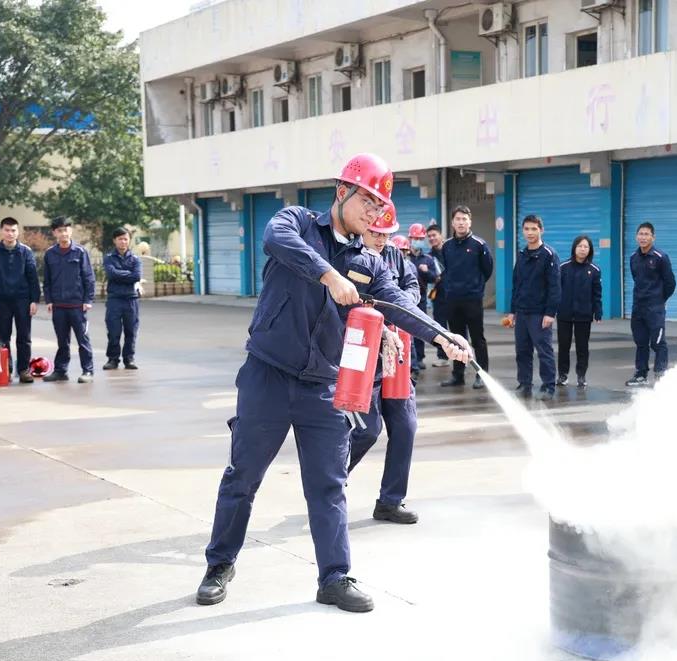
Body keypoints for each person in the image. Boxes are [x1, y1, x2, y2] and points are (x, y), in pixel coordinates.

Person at [197, 153, 472, 613]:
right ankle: (219, 565)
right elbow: (275, 238)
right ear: (342, 192)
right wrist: (328, 274)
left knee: (328, 485)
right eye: (367, 201)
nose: (373, 213)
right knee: (242, 476)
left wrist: (442, 336)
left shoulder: (369, 263)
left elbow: (400, 305)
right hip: (268, 374)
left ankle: (334, 577)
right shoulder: (298, 223)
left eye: (379, 206)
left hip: (322, 386)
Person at [347, 209, 422, 525]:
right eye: (376, 233)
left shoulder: (395, 255)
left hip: (397, 355)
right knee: (367, 430)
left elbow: (412, 286)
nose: (381, 240)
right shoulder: (351, 258)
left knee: (405, 426)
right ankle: (328, 482)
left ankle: (390, 501)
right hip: (363, 355)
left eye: (386, 234)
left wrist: (403, 302)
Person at [503, 215, 560, 401]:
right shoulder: (521, 254)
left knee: (544, 351)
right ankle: (524, 384)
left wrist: (550, 313)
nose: (530, 233)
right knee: (522, 351)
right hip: (522, 312)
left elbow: (555, 287)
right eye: (526, 229)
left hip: (540, 313)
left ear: (541, 230)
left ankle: (548, 386)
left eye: (534, 229)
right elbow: (516, 284)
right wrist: (512, 311)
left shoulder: (549, 255)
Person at [439, 206, 493, 389]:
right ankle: (458, 375)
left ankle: (482, 375)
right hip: (452, 299)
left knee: (478, 339)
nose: (461, 222)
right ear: (452, 222)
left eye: (464, 219)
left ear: (470, 222)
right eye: (458, 219)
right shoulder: (446, 246)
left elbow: (487, 269)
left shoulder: (479, 245)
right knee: (456, 340)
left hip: (472, 299)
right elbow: (446, 269)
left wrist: (475, 286)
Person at [0, 217, 41, 383]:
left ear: (18, 231)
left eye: (13, 230)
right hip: (1, 300)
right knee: (3, 337)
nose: (10, 233)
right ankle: (5, 370)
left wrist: (34, 300)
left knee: (24, 337)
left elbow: (33, 277)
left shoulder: (26, 252)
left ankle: (23, 370)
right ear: (2, 231)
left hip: (23, 300)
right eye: (7, 230)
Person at [43, 216, 96, 383]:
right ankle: (60, 371)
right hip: (58, 306)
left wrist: (88, 300)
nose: (63, 233)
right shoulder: (50, 254)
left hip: (77, 305)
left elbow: (89, 278)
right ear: (54, 233)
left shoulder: (80, 252)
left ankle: (87, 371)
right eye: (59, 231)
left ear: (70, 231)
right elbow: (47, 280)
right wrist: (49, 300)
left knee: (83, 340)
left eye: (65, 230)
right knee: (62, 341)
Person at [627, 222, 675, 387]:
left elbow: (670, 283)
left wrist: (660, 299)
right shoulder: (633, 258)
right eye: (640, 234)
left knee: (658, 342)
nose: (643, 237)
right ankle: (641, 374)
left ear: (653, 237)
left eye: (646, 234)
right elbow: (636, 278)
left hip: (655, 309)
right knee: (641, 342)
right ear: (636, 237)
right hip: (638, 308)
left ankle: (660, 375)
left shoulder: (661, 257)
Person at [557, 235, 603, 388]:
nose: (582, 249)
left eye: (586, 247)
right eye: (580, 246)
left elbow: (597, 293)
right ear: (574, 248)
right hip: (564, 314)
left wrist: (598, 311)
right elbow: (556, 290)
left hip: (584, 314)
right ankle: (562, 375)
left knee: (582, 347)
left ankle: (581, 375)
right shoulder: (563, 267)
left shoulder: (594, 270)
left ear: (590, 250)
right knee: (564, 346)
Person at [103, 227, 142, 371]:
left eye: (126, 239)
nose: (123, 242)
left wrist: (119, 274)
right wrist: (128, 274)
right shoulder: (109, 258)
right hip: (114, 299)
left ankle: (129, 359)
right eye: (120, 239)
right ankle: (113, 359)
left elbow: (136, 276)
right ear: (114, 240)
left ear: (129, 240)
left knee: (131, 331)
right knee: (113, 331)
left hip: (131, 299)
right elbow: (111, 274)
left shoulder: (135, 259)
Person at [405, 223, 439, 372]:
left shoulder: (428, 259)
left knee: (419, 328)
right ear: (410, 238)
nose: (417, 241)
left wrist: (426, 272)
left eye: (420, 239)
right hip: (405, 299)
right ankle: (407, 359)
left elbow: (435, 278)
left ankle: (419, 358)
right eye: (415, 238)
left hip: (421, 299)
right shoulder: (403, 255)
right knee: (404, 329)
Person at [426, 223, 450, 367]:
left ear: (441, 235)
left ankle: (462, 357)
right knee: (440, 327)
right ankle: (442, 356)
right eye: (429, 236)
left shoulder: (451, 250)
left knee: (458, 326)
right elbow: (428, 278)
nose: (432, 238)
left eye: (434, 235)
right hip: (439, 296)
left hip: (454, 295)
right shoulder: (429, 256)